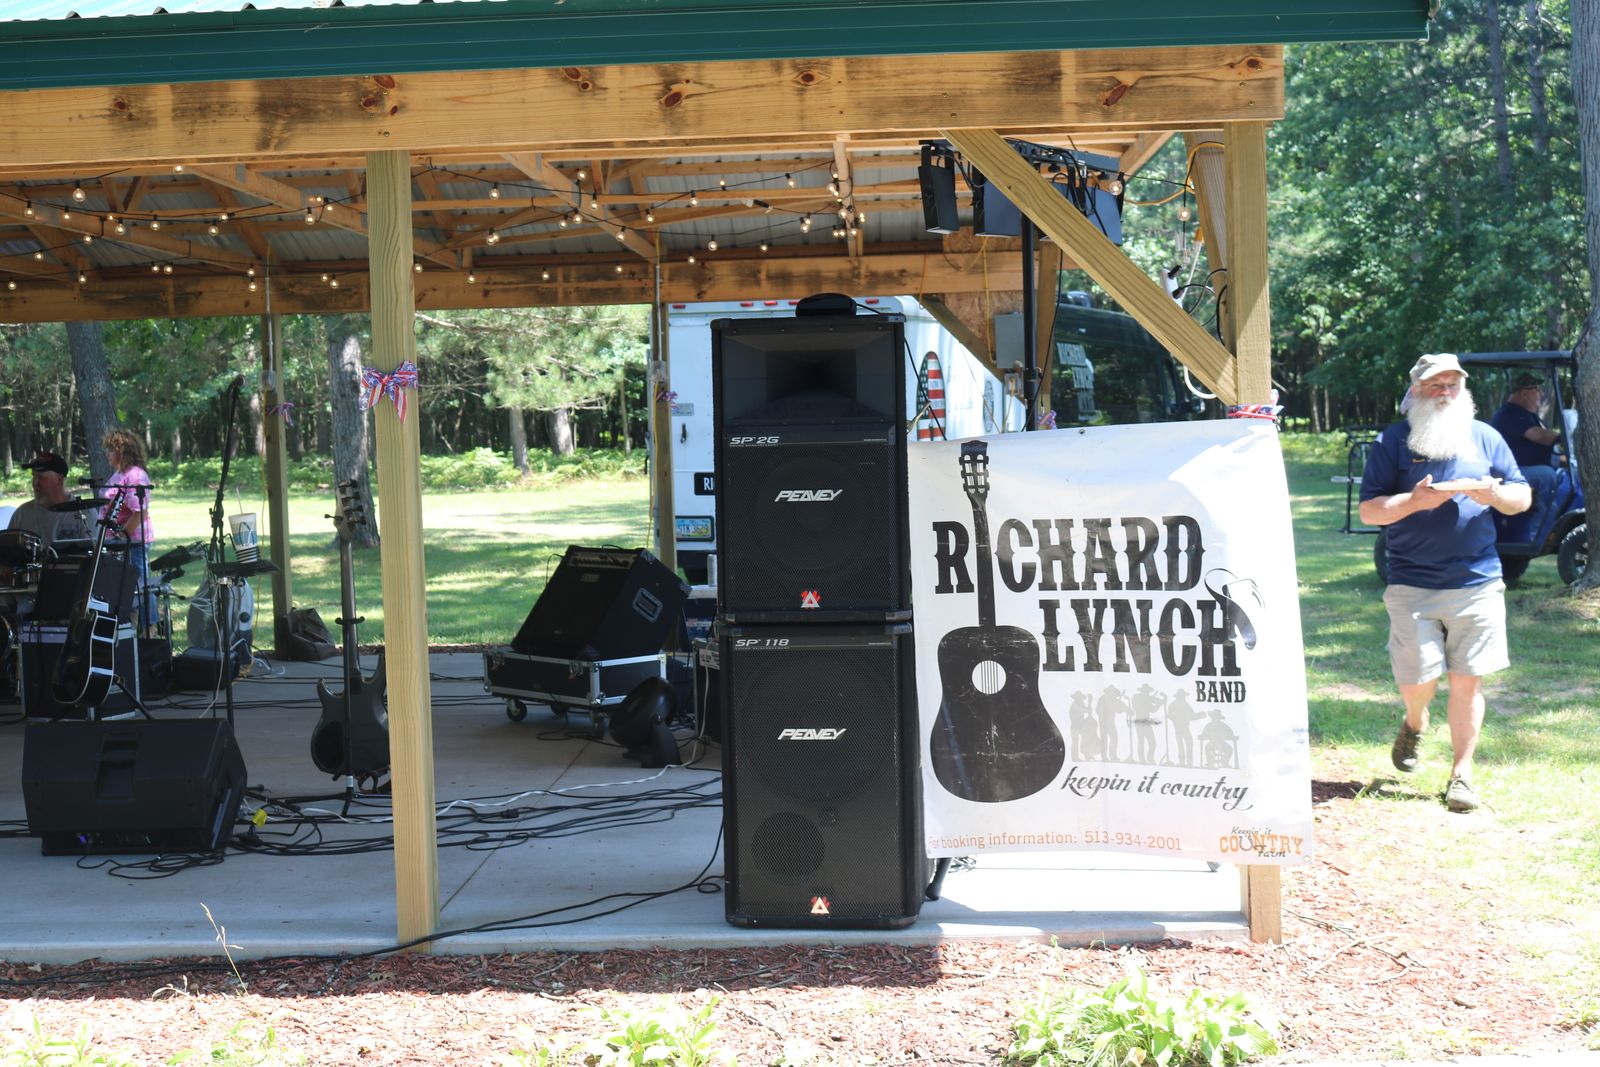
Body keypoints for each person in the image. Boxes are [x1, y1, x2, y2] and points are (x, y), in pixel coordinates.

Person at [1359, 353, 1532, 814]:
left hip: (1478, 580)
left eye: (1453, 384)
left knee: (1467, 682)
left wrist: (1495, 494)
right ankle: (1415, 721)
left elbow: (1521, 496)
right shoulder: (1393, 440)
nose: (1446, 392)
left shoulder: (1486, 436)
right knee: (1418, 680)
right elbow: (1369, 511)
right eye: (1436, 384)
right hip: (1411, 583)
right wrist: (1414, 502)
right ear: (1416, 389)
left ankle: (1462, 775)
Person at [1489, 372, 1564, 541]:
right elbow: (1539, 436)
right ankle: (1535, 538)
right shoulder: (1510, 413)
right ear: (1524, 392)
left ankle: (1553, 537)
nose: (1541, 394)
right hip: (1508, 475)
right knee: (1546, 475)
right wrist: (1565, 436)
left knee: (1557, 494)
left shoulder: (1526, 414)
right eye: (1537, 389)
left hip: (1523, 470)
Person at [100, 428, 156, 632]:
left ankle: (149, 627)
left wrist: (121, 534)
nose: (107, 454)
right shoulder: (120, 474)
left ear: (122, 451)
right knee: (124, 586)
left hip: (133, 542)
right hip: (118, 543)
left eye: (111, 450)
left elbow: (140, 512)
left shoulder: (135, 476)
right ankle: (128, 627)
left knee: (140, 585)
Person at [6, 451, 92, 545]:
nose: (35, 483)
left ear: (59, 479)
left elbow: (95, 551)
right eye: (34, 476)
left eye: (40, 477)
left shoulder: (84, 512)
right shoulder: (22, 514)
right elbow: (8, 550)